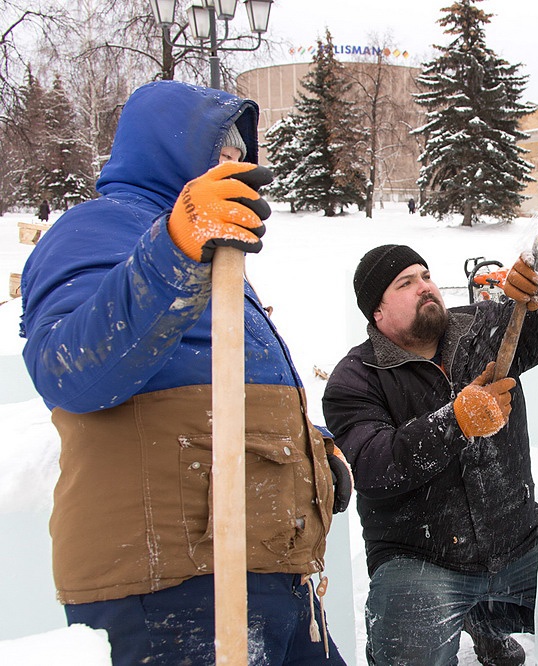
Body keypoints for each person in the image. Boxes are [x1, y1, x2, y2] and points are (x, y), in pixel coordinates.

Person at [19, 80, 352, 665]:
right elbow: (68, 370)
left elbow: (215, 378)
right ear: (167, 147)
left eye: (240, 150)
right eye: (218, 146)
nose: (235, 162)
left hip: (264, 570)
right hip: (172, 586)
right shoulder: (97, 228)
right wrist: (175, 245)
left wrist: (309, 454)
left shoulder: (211, 248)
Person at [322, 244, 538, 666]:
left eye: (425, 276)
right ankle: (472, 614)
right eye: (405, 283)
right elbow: (373, 466)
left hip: (519, 543)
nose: (424, 287)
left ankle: (483, 619)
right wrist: (455, 421)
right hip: (423, 559)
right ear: (378, 313)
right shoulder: (354, 379)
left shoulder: (479, 328)